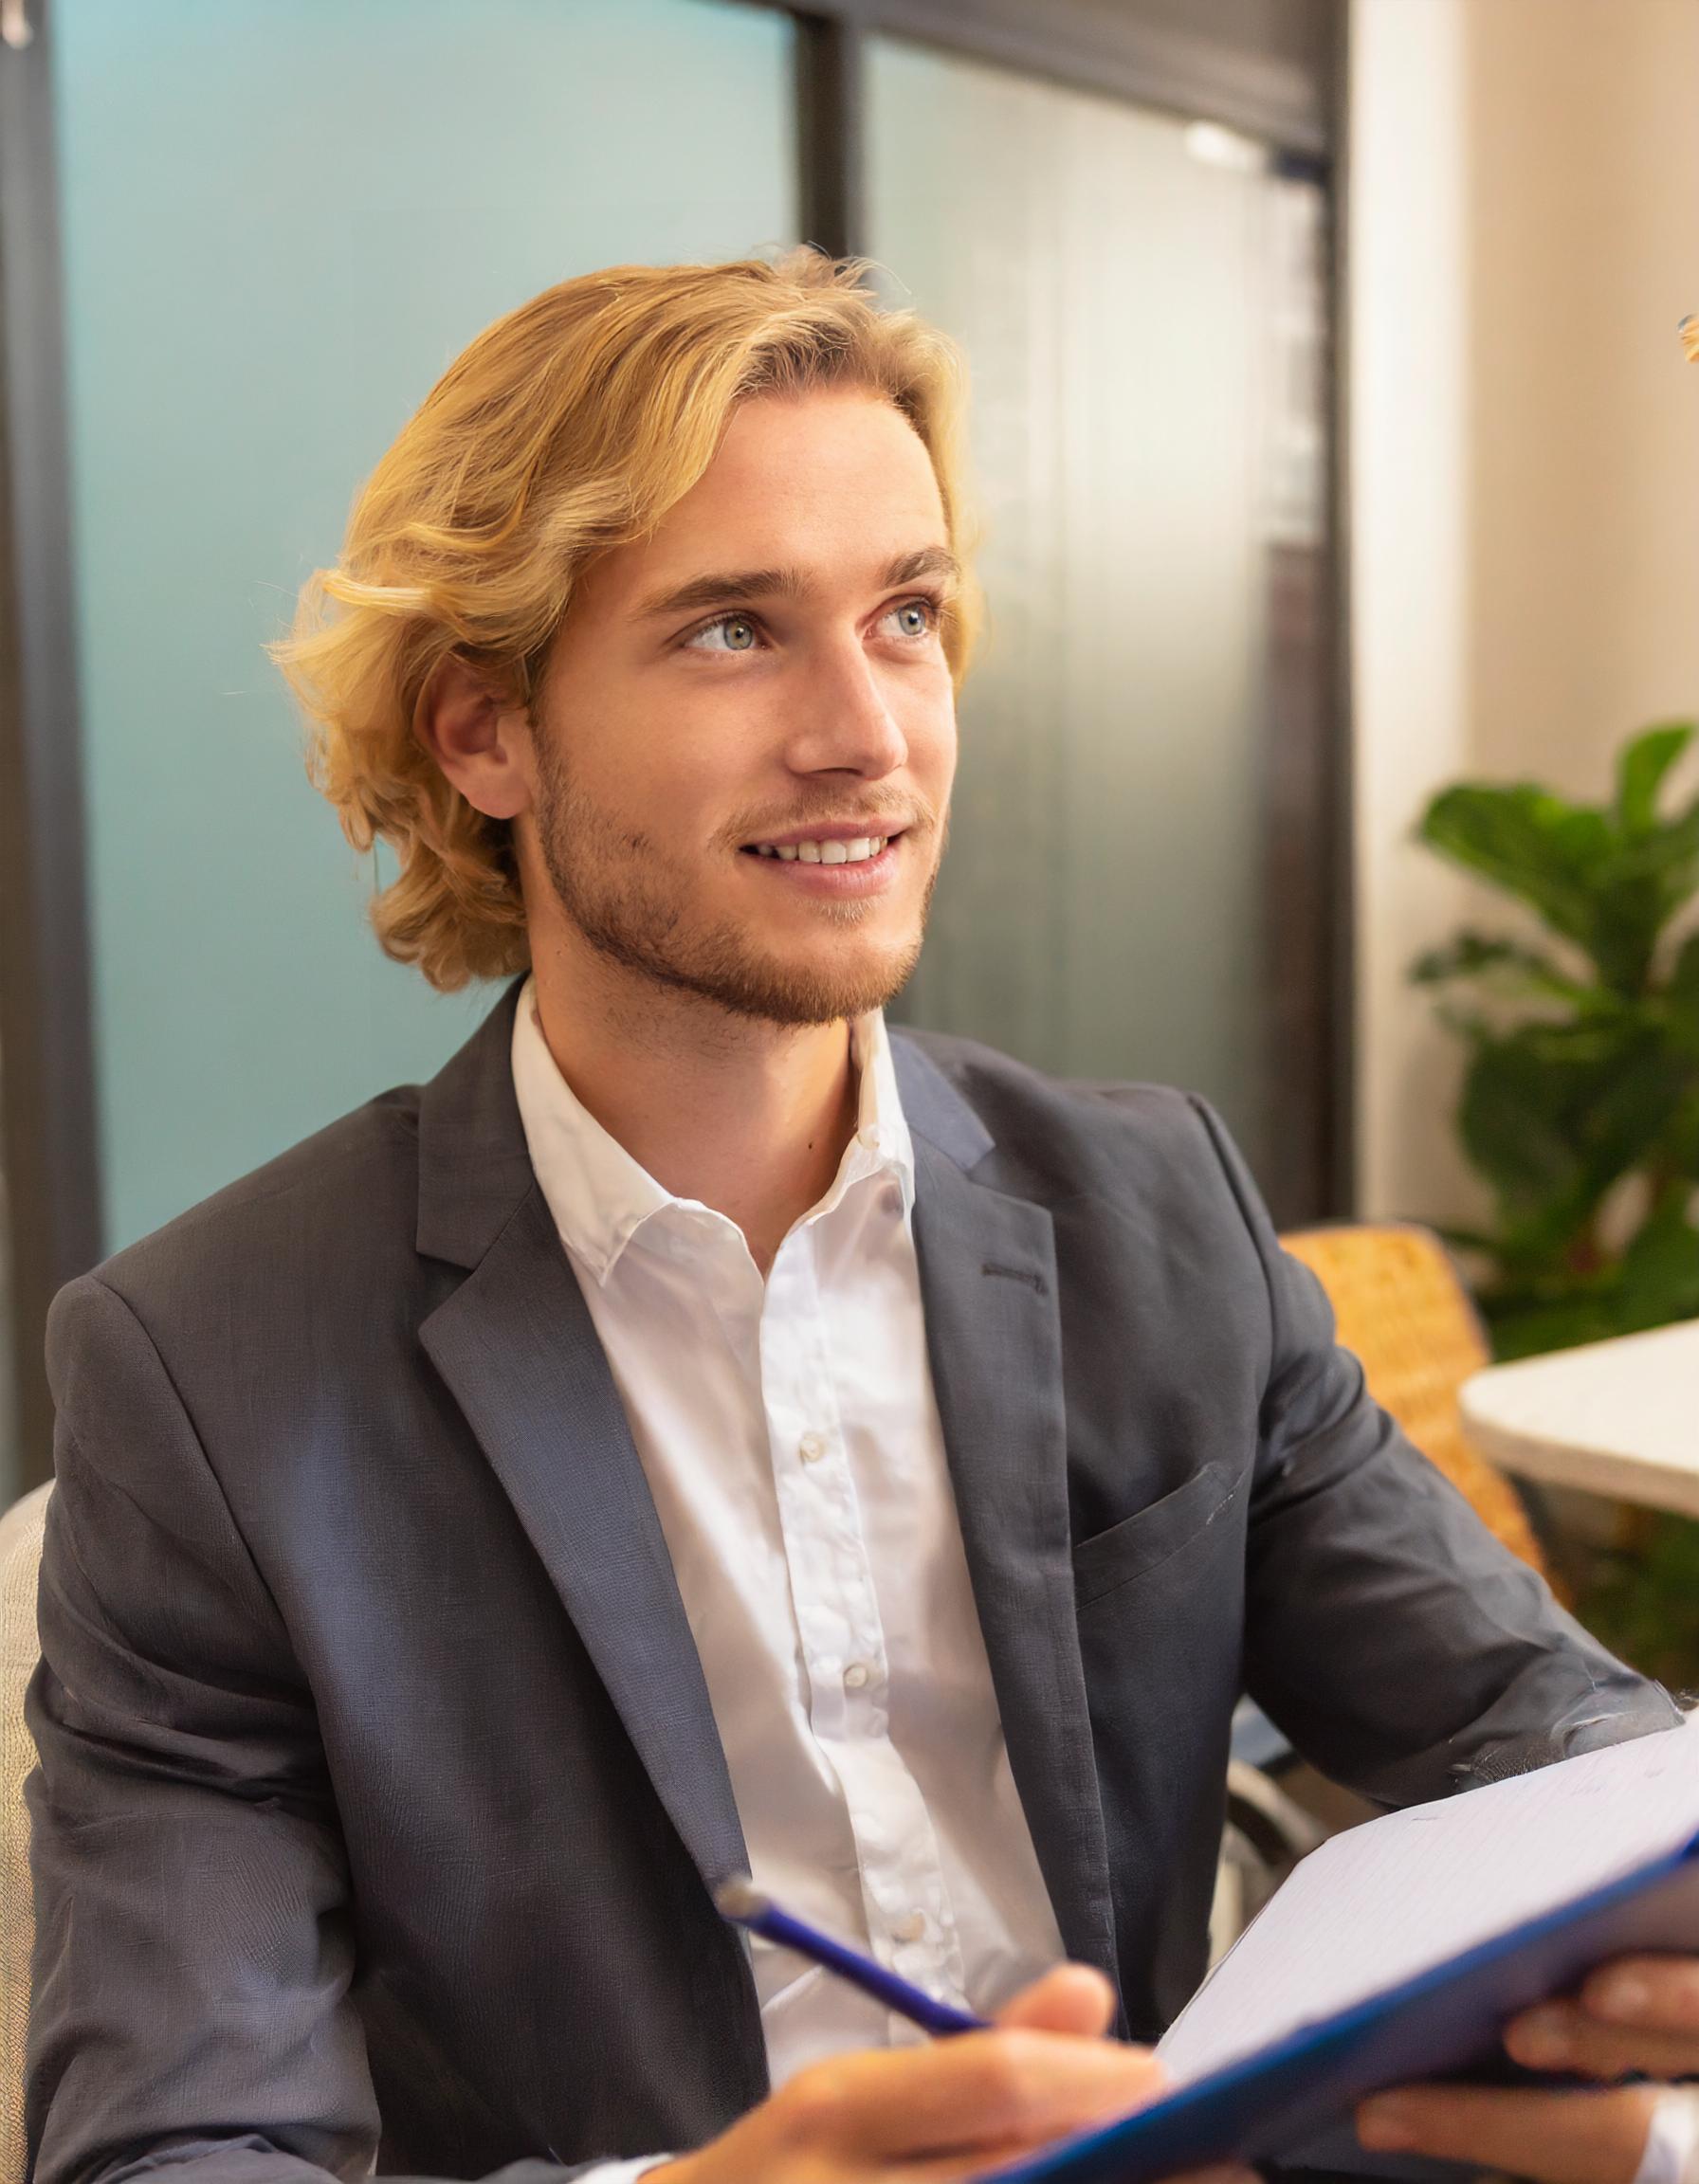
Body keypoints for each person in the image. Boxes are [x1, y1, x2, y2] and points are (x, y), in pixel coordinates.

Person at [21, 247, 1699, 2184]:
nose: (867, 734)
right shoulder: (207, 1377)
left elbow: (1537, 1731)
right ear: (482, 730)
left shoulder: (1152, 1209)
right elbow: (174, 2151)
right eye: (734, 630)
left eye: (906, 616)